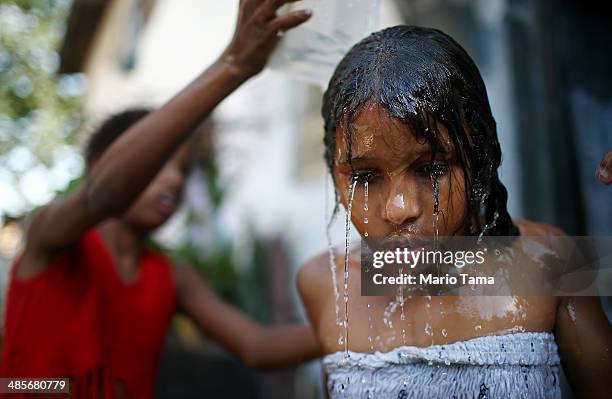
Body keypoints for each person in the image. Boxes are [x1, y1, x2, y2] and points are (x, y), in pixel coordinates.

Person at [0, 1, 320, 398]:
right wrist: (233, 65)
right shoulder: (50, 236)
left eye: (184, 169)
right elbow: (103, 194)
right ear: (103, 163)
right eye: (159, 164)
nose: (174, 180)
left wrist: (364, 327)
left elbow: (257, 346)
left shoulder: (171, 278)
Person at [297, 26, 612, 398]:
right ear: (333, 172)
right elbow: (255, 348)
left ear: (477, 157)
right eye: (365, 176)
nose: (400, 209)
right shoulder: (325, 284)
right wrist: (233, 66)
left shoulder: (549, 263)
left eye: (430, 169)